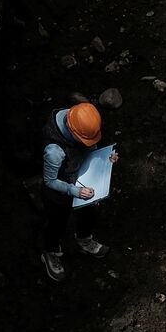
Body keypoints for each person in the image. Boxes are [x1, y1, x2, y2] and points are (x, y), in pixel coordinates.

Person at [39, 102, 117, 282]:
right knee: (56, 224)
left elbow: (90, 146)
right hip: (58, 193)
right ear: (72, 132)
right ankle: (50, 252)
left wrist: (106, 158)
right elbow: (49, 181)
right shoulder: (54, 151)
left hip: (80, 179)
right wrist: (75, 191)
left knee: (88, 214)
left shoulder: (80, 117)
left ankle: (84, 239)